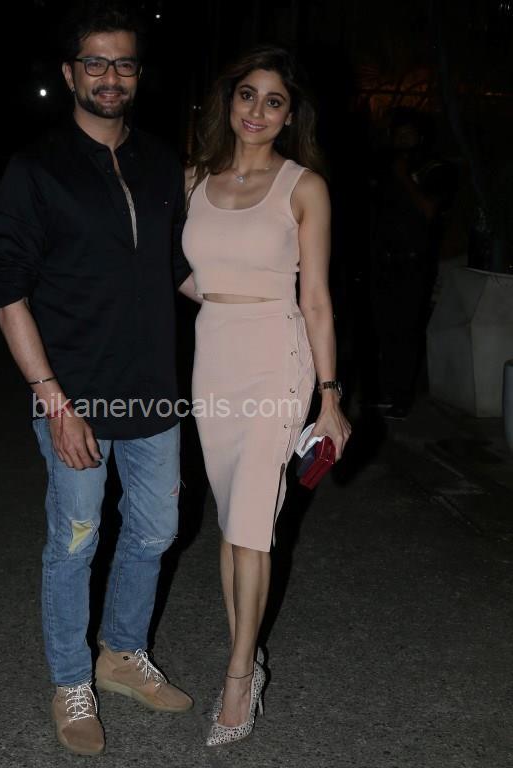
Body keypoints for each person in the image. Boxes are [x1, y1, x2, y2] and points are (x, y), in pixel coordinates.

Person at [0, 3, 193, 757]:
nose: (111, 76)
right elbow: (8, 292)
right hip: (73, 393)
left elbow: (178, 271)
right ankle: (71, 679)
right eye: (96, 63)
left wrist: (265, 303)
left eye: (124, 63)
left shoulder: (162, 163)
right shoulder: (37, 168)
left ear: (138, 74)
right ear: (71, 72)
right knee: (75, 541)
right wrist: (52, 400)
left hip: (154, 391)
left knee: (156, 529)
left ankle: (121, 654)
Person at [179, 45, 351, 746]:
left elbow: (317, 300)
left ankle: (239, 675)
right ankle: (244, 654)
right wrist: (218, 298)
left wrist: (330, 398)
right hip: (213, 355)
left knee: (252, 522)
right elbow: (178, 270)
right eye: (247, 94)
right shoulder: (195, 179)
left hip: (278, 357)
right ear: (229, 100)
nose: (256, 110)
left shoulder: (303, 187)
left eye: (272, 101)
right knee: (232, 521)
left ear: (289, 115)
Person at [368, 108, 455, 419]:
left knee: (406, 330)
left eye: (408, 134)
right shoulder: (382, 165)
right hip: (382, 262)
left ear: (420, 136)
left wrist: (405, 177)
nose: (402, 140)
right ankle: (385, 391)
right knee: (382, 329)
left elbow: (430, 210)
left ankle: (402, 398)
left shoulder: (434, 168)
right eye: (398, 134)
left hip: (414, 264)